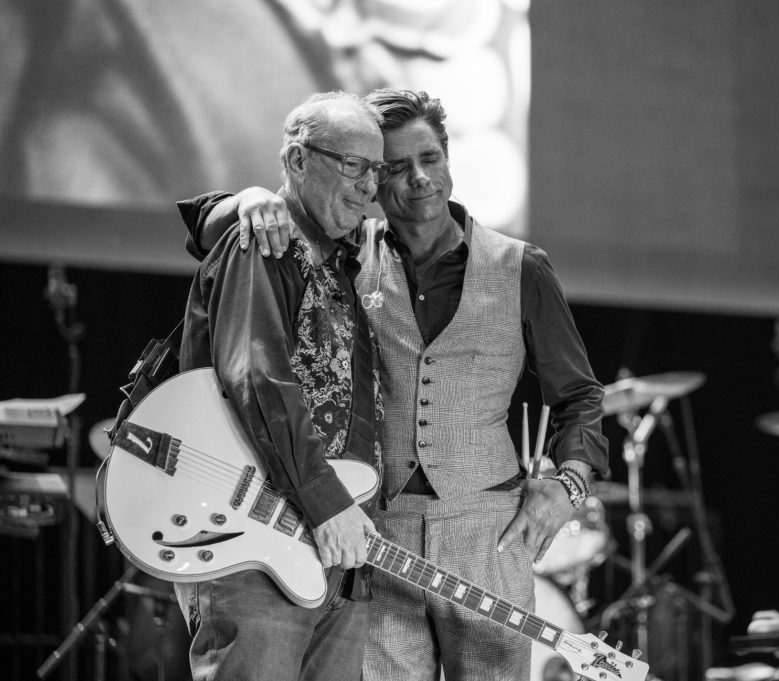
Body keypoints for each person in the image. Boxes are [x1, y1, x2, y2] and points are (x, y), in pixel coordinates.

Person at [179, 88, 609, 681]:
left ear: (450, 161)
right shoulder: (346, 251)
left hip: (490, 536)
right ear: (377, 184)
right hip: (375, 535)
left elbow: (581, 396)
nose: (418, 180)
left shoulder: (521, 267)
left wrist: (569, 485)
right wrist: (246, 201)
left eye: (430, 159)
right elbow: (248, 232)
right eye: (394, 168)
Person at [173, 90, 387, 681]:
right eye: (352, 164)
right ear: (296, 161)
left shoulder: (348, 262)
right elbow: (257, 379)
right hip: (254, 546)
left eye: (377, 169)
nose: (370, 185)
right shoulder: (264, 241)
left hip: (333, 549)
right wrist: (326, 504)